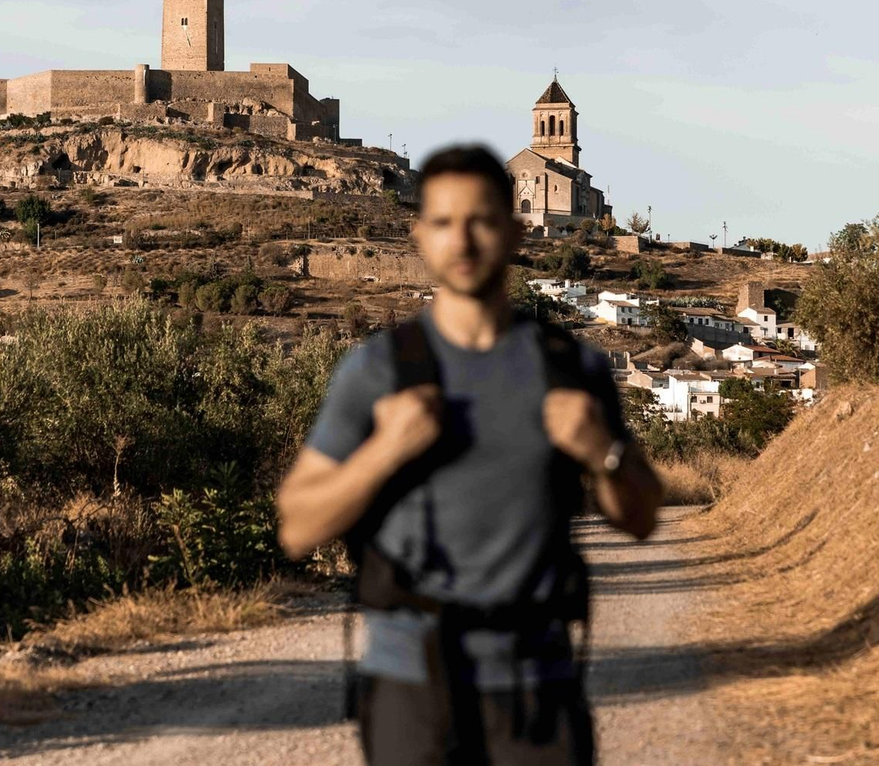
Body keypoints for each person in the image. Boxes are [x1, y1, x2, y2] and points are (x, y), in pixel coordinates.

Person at [276, 144, 663, 766]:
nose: (462, 240)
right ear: (420, 236)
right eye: (443, 222)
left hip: (537, 686)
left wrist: (603, 452)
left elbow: (642, 519)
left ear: (514, 231)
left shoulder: (570, 368)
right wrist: (384, 452)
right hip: (409, 688)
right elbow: (297, 528)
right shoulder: (378, 372)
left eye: (481, 220)